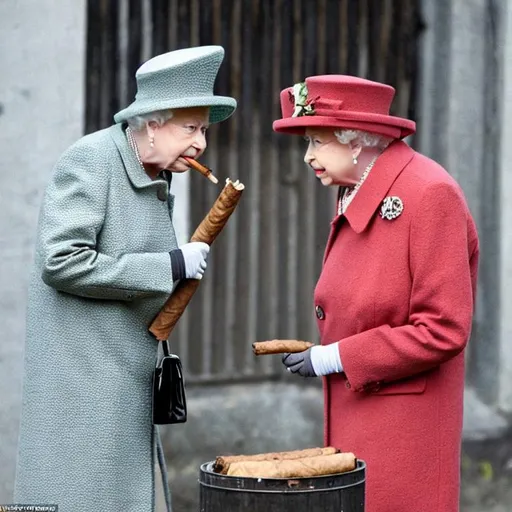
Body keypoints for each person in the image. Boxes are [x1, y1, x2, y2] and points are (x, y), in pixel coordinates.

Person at [14, 46, 236, 512]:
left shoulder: (150, 167)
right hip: (82, 385)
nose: (201, 144)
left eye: (204, 131)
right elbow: (60, 261)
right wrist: (169, 266)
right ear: (152, 123)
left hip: (119, 379)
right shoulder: (91, 160)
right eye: (190, 128)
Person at [270, 76, 479, 512]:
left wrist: (335, 357)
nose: (308, 155)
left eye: (316, 141)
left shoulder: (429, 193)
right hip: (366, 421)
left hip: (404, 434)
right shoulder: (359, 187)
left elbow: (443, 327)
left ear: (355, 140)